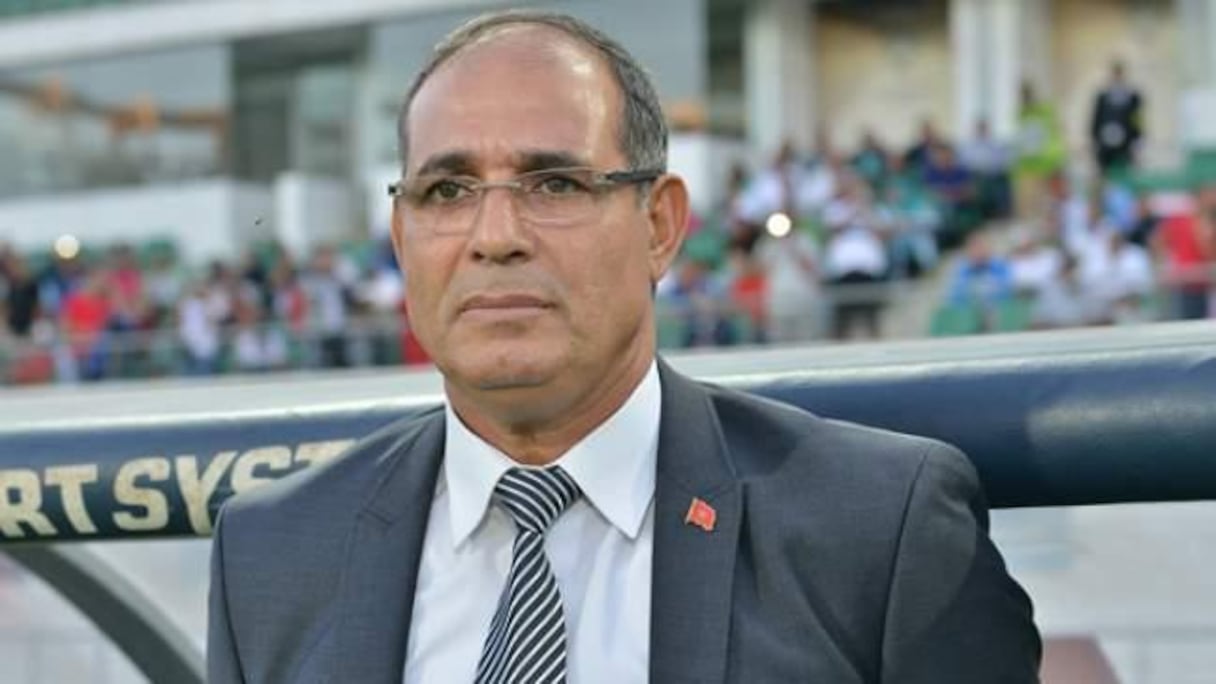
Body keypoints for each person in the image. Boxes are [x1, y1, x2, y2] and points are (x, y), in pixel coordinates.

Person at [207, 11, 1040, 684]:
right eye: (448, 189)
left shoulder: (879, 532)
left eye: (555, 183)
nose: (494, 236)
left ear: (660, 226)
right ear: (400, 236)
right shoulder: (271, 555)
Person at [1090, 60, 1143, 178]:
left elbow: (1137, 120)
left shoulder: (1133, 98)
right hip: (1105, 145)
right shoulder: (1102, 97)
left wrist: (1138, 140)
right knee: (1105, 173)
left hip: (1126, 144)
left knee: (1126, 171)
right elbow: (1096, 120)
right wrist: (1095, 140)